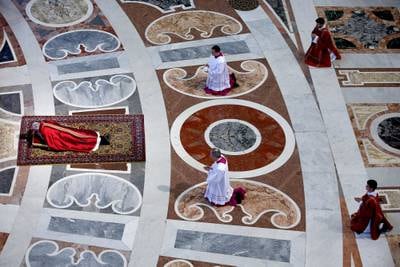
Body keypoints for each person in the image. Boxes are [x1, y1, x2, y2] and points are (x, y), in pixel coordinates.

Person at [28, 120, 109, 153]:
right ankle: (101, 140)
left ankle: (99, 140)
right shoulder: (44, 123)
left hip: (64, 136)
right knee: (81, 136)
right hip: (65, 133)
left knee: (79, 140)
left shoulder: (44, 130)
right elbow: (54, 124)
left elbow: (50, 141)